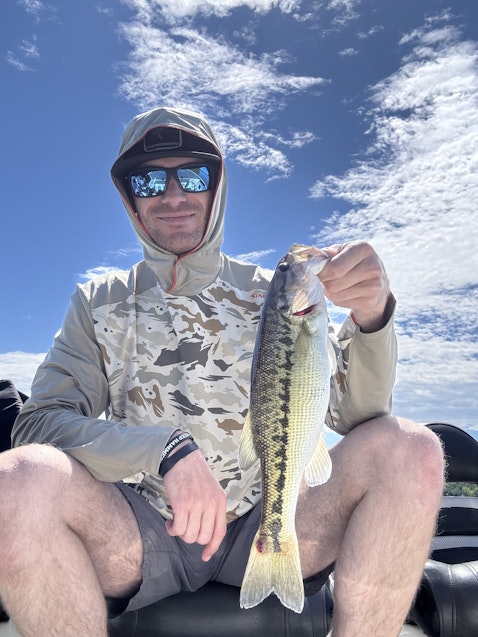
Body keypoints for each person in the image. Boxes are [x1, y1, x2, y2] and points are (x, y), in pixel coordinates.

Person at [1, 107, 443, 637]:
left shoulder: (275, 295)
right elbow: (39, 423)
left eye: (193, 175)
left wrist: (373, 317)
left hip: (273, 519)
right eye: (148, 181)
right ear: (128, 198)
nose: (173, 196)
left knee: (412, 450)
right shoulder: (97, 303)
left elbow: (358, 417)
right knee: (15, 480)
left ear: (218, 185)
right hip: (141, 532)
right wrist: (162, 450)